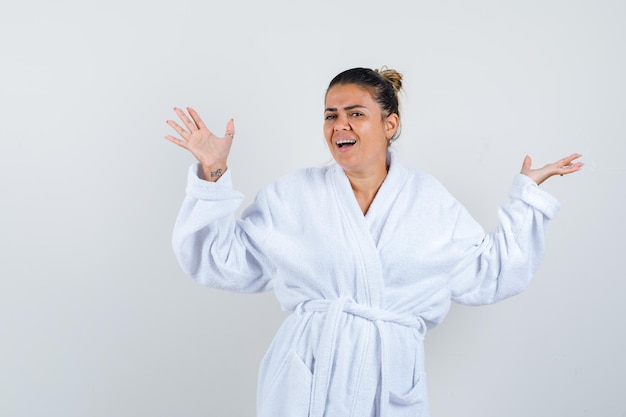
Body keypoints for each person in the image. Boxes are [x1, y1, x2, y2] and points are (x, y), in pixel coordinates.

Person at [165, 67, 583, 417]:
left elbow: (490, 273)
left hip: (388, 380)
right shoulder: (294, 195)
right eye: (330, 115)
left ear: (390, 124)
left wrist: (526, 198)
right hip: (307, 378)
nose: (339, 125)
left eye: (355, 113)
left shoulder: (428, 200)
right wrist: (213, 174)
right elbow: (219, 260)